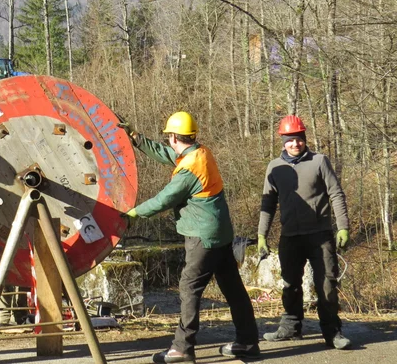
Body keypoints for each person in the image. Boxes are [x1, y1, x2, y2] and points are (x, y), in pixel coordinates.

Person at [123, 112, 259, 363]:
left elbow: (164, 199)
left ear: (174, 137)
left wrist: (134, 213)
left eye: (169, 137)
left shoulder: (188, 171)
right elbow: (167, 154)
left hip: (202, 236)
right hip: (221, 234)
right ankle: (248, 342)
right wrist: (137, 138)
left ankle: (182, 347)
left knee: (188, 287)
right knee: (233, 289)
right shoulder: (200, 153)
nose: (169, 142)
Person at [258, 115, 352, 350]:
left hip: (320, 235)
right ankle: (291, 327)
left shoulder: (320, 161)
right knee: (290, 284)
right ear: (283, 141)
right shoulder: (274, 167)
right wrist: (262, 235)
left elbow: (336, 194)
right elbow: (268, 204)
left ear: (304, 139)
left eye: (299, 139)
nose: (295, 144)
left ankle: (332, 332)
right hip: (290, 237)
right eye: (290, 140)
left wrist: (343, 227)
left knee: (327, 285)